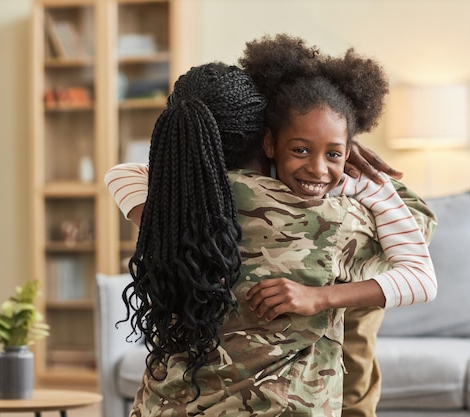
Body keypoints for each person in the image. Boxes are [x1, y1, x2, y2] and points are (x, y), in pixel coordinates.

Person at [106, 39, 436, 417]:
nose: (317, 166)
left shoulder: (172, 205)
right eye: (300, 148)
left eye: (332, 152)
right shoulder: (331, 214)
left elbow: (119, 175)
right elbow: (420, 226)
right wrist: (345, 151)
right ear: (266, 137)